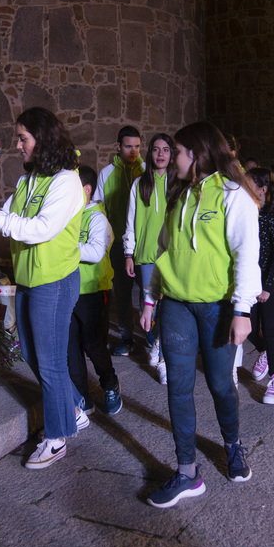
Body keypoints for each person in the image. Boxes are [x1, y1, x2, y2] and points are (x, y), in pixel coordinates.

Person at [0, 107, 85, 469]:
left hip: (54, 281)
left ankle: (57, 438)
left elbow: (41, 228)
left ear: (42, 139)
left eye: (23, 138)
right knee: (30, 351)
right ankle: (73, 407)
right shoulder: (30, 180)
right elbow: (4, 215)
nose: (17, 144)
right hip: (29, 277)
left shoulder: (66, 181)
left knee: (51, 360)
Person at [140, 121, 260, 508]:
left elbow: (246, 255)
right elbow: (164, 251)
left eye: (177, 151)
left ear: (198, 154)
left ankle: (232, 445)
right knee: (178, 387)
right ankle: (187, 472)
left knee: (221, 385)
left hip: (217, 307)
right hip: (175, 305)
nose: (171, 157)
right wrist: (150, 297)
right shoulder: (178, 196)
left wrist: (242, 311)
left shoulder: (232, 195)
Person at [68, 165, 122, 416]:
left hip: (92, 290)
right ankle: (82, 397)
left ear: (86, 190)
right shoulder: (68, 216)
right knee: (71, 347)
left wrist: (65, 247)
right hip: (67, 289)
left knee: (93, 344)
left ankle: (110, 385)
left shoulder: (97, 218)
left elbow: (96, 251)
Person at [123, 132, 172, 384]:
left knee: (168, 306)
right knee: (148, 304)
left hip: (171, 255)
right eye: (156, 149)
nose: (160, 154)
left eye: (165, 149)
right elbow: (130, 221)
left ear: (171, 154)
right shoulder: (139, 184)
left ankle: (163, 357)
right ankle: (155, 342)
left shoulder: (178, 183)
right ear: (149, 153)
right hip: (145, 256)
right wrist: (128, 253)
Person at [93, 126, 144, 356]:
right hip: (117, 245)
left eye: (137, 146)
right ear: (118, 147)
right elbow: (98, 208)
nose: (133, 151)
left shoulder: (146, 170)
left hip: (143, 243)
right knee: (122, 292)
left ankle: (151, 335)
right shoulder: (106, 174)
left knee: (148, 291)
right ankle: (127, 338)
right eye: (128, 146)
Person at [244, 167, 274, 405]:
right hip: (249, 279)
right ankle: (264, 352)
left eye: (248, 184)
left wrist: (268, 287)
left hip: (271, 280)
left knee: (270, 328)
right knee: (249, 327)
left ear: (263, 189)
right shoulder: (247, 213)